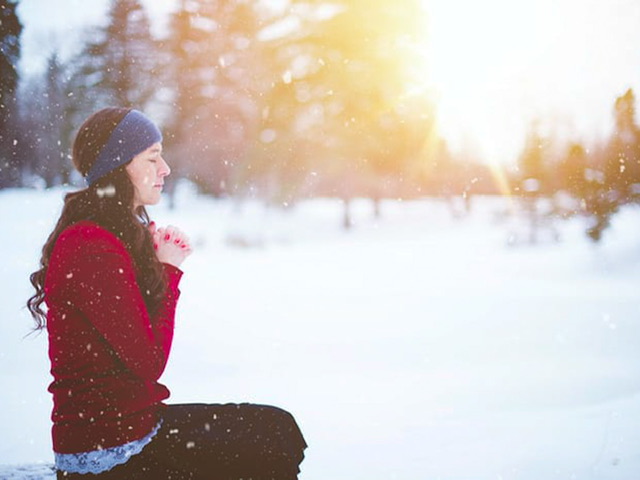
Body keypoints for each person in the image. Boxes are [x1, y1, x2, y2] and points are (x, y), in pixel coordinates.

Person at [27, 107, 307, 479]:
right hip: (109, 453)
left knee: (279, 430)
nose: (165, 169)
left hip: (132, 430)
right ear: (119, 165)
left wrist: (156, 266)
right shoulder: (90, 244)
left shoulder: (107, 237)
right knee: (270, 438)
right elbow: (148, 361)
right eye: (153, 157)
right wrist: (169, 271)